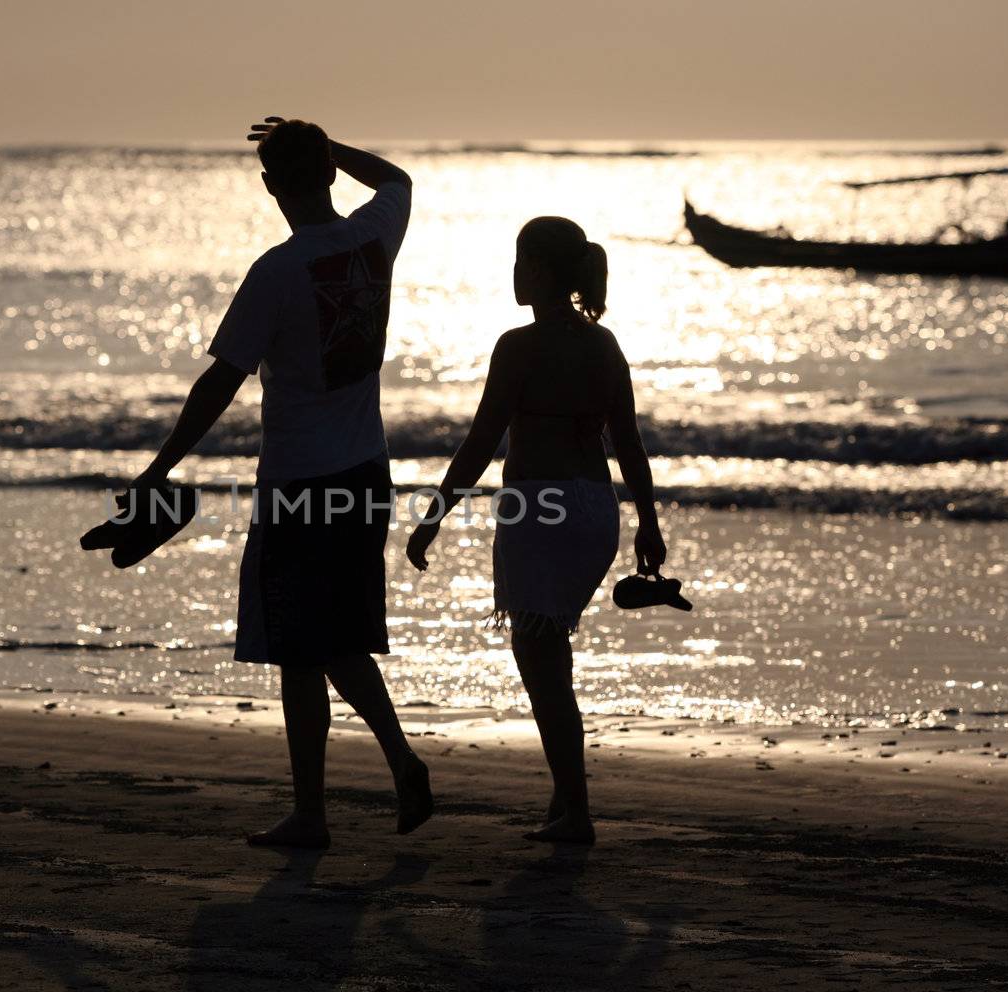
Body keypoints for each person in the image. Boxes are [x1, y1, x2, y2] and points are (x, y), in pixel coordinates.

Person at [128, 116, 432, 849]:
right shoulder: (373, 237)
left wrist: (161, 465)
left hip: (300, 483)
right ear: (329, 173)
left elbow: (220, 382)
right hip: (366, 472)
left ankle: (314, 814)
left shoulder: (277, 271)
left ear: (270, 185)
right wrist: (336, 147)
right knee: (337, 641)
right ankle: (397, 764)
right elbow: (397, 179)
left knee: (303, 649)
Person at [406, 216, 668, 845]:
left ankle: (576, 812)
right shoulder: (604, 345)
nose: (514, 274)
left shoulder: (517, 346)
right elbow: (628, 444)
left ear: (545, 272)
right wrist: (648, 525)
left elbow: (480, 442)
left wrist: (433, 517)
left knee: (542, 663)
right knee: (554, 656)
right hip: (593, 510)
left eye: (521, 261)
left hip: (539, 509)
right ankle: (564, 802)